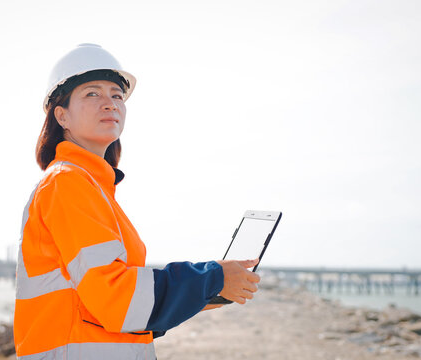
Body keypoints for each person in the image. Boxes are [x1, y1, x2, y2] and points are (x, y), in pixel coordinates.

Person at [13, 43, 260, 360]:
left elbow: (121, 307)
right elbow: (118, 299)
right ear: (61, 115)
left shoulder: (92, 186)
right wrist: (212, 277)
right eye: (92, 94)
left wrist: (211, 289)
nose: (109, 104)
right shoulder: (67, 183)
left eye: (117, 95)